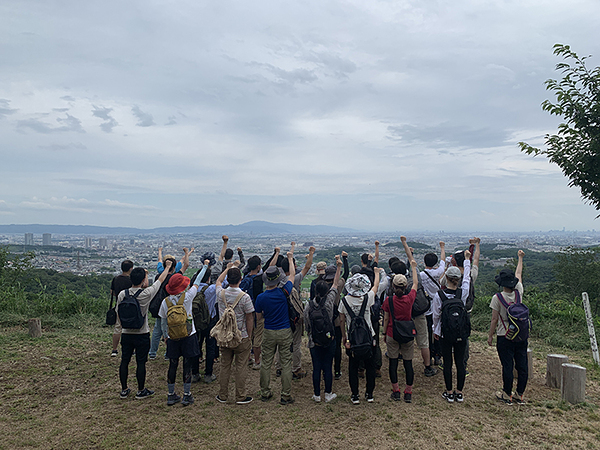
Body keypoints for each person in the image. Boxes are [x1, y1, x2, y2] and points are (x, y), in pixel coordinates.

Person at [116, 260, 172, 399]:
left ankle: (124, 389)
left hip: (126, 333)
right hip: (142, 333)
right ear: (142, 280)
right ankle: (141, 390)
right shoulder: (146, 293)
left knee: (125, 360)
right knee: (141, 362)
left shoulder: (123, 294)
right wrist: (168, 267)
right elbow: (160, 280)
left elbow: (118, 312)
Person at [158, 265, 208, 406]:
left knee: (173, 365)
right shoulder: (188, 296)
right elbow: (197, 281)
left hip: (173, 337)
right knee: (187, 365)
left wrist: (165, 336)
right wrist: (204, 266)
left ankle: (171, 394)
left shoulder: (166, 302)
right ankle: (187, 394)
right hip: (188, 334)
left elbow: (163, 321)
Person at [255, 253, 296, 405]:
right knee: (286, 363)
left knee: (266, 362)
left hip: (269, 330)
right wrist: (290, 259)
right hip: (285, 330)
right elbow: (292, 274)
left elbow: (259, 317)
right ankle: (285, 395)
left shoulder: (261, 298)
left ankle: (265, 392)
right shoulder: (284, 291)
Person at [488, 250, 527, 405]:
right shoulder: (519, 293)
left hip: (504, 335)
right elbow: (519, 273)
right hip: (521, 335)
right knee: (522, 365)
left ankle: (506, 393)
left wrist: (490, 335)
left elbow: (494, 319)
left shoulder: (497, 298)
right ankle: (520, 394)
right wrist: (520, 258)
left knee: (507, 365)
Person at [432, 250, 471, 403]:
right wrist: (467, 261)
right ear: (458, 279)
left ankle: (449, 392)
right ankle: (459, 392)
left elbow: (436, 316)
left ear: (446, 277)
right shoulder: (463, 293)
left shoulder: (439, 296)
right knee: (460, 362)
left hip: (445, 332)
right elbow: (467, 278)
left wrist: (436, 330)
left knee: (447, 362)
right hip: (461, 332)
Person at [339, 267, 382, 404]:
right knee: (370, 365)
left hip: (352, 339)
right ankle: (369, 394)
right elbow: (375, 287)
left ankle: (355, 395)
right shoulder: (367, 297)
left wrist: (344, 336)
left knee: (353, 366)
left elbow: (341, 320)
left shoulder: (344, 301)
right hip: (369, 337)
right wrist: (376, 273)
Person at [214, 264, 255, 404]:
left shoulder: (221, 294)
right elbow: (250, 318)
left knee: (225, 365)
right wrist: (249, 337)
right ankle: (240, 396)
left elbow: (218, 282)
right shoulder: (245, 297)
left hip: (224, 336)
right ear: (241, 279)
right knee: (241, 366)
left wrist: (227, 268)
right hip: (240, 336)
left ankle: (223, 395)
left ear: (228, 278)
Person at [305, 255, 342, 403]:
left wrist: (310, 334)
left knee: (316, 367)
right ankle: (328, 393)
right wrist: (339, 267)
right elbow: (335, 283)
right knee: (327, 366)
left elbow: (307, 324)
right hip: (328, 339)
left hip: (314, 341)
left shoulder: (309, 305)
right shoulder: (329, 301)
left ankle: (316, 395)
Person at [276, 242, 315, 379]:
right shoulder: (295, 279)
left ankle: (279, 367)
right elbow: (307, 267)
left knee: (282, 343)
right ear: (293, 266)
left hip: (281, 315)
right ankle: (296, 368)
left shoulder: (278, 279)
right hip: (294, 316)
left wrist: (290, 255)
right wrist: (311, 253)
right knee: (296, 342)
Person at [382, 256, 419, 403]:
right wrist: (414, 267)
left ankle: (396, 390)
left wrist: (384, 333)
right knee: (408, 363)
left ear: (393, 286)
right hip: (408, 333)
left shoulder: (388, 300)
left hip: (392, 332)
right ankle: (408, 392)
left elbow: (385, 318)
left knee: (393, 363)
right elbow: (415, 283)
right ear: (405, 287)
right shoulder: (410, 298)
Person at [420, 242, 446, 367]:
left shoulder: (420, 276)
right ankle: (438, 356)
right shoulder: (438, 272)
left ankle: (428, 356)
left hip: (425, 306)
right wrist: (442, 248)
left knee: (427, 333)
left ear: (424, 262)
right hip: (437, 304)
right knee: (437, 331)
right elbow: (443, 261)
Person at [239, 255, 264, 369]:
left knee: (248, 334)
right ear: (258, 266)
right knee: (257, 336)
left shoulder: (245, 279)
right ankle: (257, 361)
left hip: (245, 311)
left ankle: (248, 357)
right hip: (256, 311)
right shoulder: (259, 280)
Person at [111, 260, 134, 357]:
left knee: (118, 327)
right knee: (130, 328)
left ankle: (114, 349)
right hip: (130, 305)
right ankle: (131, 349)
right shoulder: (131, 280)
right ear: (130, 269)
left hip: (119, 304)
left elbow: (112, 292)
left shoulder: (116, 279)